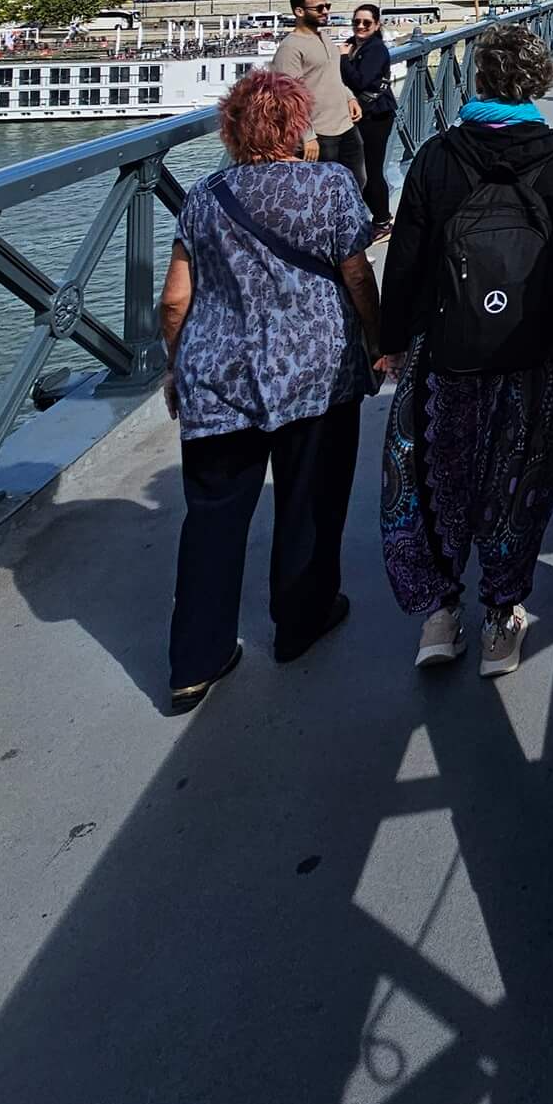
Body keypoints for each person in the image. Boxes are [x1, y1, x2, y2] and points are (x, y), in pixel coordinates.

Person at [376, 20, 553, 677]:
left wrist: (393, 344)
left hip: (447, 350)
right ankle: (503, 618)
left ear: (478, 78)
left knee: (436, 476)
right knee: (520, 476)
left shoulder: (438, 157)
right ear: (538, 82)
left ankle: (440, 617)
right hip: (535, 349)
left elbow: (409, 262)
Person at [160, 69, 378, 711]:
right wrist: (375, 339)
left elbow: (175, 302)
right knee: (310, 503)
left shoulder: (202, 196)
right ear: (298, 126)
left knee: (212, 519)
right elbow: (357, 275)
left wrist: (179, 368)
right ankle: (299, 622)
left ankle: (195, 662)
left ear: (230, 131)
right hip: (315, 375)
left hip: (218, 381)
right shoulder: (330, 186)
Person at [272, 0, 366, 194]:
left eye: (327, 6)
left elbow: (331, 75)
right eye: (319, 8)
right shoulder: (290, 48)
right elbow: (288, 98)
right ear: (299, 11)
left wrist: (349, 97)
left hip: (346, 127)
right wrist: (307, 136)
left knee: (357, 184)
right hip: (320, 134)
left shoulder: (324, 37)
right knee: (325, 193)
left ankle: (351, 225)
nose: (326, 12)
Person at [342, 2, 396, 233]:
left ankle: (382, 220)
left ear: (376, 25)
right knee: (357, 168)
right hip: (359, 114)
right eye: (356, 22)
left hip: (376, 114)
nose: (360, 26)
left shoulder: (376, 49)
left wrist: (343, 59)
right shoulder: (353, 45)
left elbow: (360, 81)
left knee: (370, 169)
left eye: (366, 23)